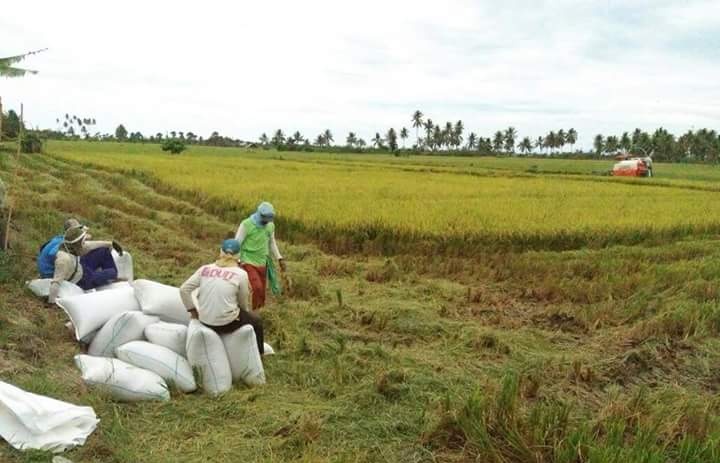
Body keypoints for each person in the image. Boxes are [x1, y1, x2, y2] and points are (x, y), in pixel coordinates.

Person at [179, 239, 264, 354]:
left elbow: (184, 289)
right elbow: (243, 303)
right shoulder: (241, 274)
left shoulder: (205, 268)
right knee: (257, 322)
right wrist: (245, 314)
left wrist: (193, 311)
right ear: (238, 255)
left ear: (220, 252)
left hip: (204, 321)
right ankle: (260, 355)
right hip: (227, 324)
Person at [48, 226, 124, 304]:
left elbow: (89, 245)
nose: (84, 244)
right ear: (77, 244)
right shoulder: (64, 260)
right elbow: (56, 282)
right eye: (83, 242)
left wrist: (110, 243)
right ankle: (110, 277)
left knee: (104, 250)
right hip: (83, 280)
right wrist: (51, 302)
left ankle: (106, 277)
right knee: (112, 272)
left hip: (80, 265)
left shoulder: (69, 246)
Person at [234, 202, 285, 310]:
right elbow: (237, 242)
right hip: (247, 260)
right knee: (256, 287)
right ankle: (254, 312)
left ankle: (260, 311)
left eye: (269, 219)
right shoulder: (246, 224)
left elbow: (271, 242)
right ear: (260, 215)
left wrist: (279, 258)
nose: (267, 221)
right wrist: (237, 260)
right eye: (265, 218)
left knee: (262, 291)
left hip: (262, 261)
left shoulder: (270, 226)